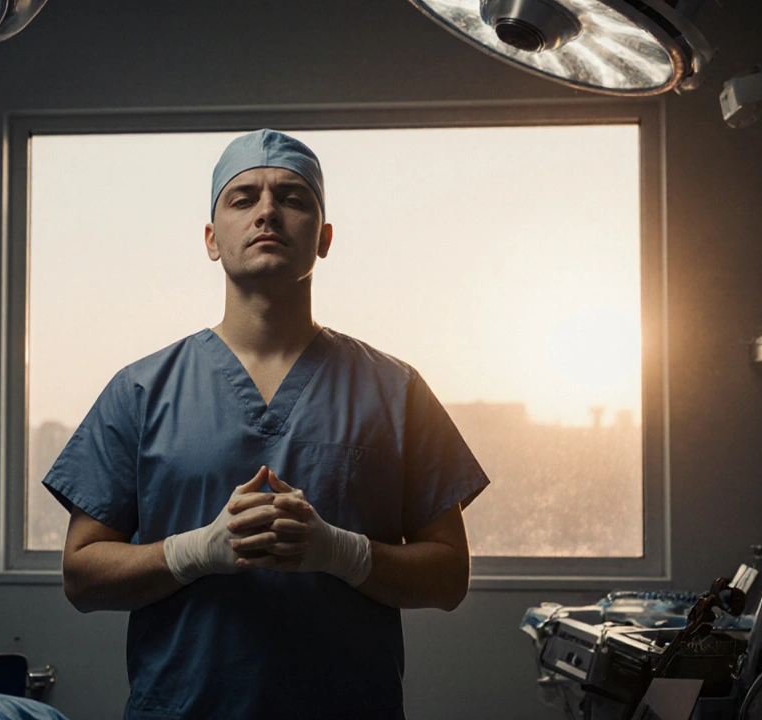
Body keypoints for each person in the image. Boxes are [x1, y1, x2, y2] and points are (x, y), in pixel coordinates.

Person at [43, 129, 490, 720]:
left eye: (293, 198)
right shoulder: (141, 391)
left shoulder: (395, 389)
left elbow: (448, 576)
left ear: (324, 238)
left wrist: (340, 552)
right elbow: (81, 574)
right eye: (243, 197)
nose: (268, 212)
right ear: (210, 239)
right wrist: (193, 552)